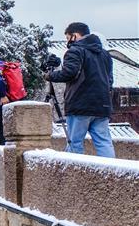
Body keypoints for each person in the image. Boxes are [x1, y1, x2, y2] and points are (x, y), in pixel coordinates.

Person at [46, 22, 115, 158]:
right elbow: (110, 81)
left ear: (75, 35)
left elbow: (69, 73)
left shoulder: (75, 51)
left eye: (68, 38)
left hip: (80, 105)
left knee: (75, 142)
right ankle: (112, 172)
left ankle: (74, 174)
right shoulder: (105, 54)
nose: (67, 42)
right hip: (103, 105)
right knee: (104, 142)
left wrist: (49, 75)